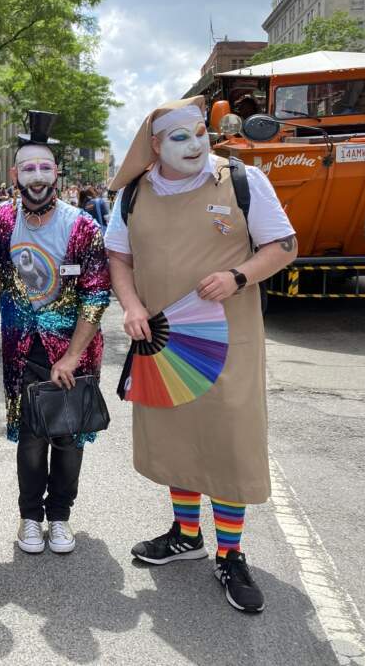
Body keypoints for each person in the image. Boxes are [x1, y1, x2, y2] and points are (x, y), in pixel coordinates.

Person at [105, 96, 298, 614]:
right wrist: (130, 305)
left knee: (228, 440)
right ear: (155, 146)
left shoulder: (241, 181)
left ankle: (231, 552)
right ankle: (187, 535)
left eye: (198, 132)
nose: (194, 144)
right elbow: (117, 258)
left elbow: (283, 246)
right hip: (162, 337)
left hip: (227, 338)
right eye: (179, 137)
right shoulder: (134, 195)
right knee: (176, 433)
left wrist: (239, 276)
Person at [0, 111, 111, 556]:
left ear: (56, 172)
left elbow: (96, 297)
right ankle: (29, 519)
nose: (37, 177)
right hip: (22, 348)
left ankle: (59, 518)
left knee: (67, 436)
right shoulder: (0, 222)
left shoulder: (83, 226)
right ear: (14, 174)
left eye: (45, 167)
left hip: (72, 350)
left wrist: (72, 357)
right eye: (28, 168)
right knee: (31, 438)